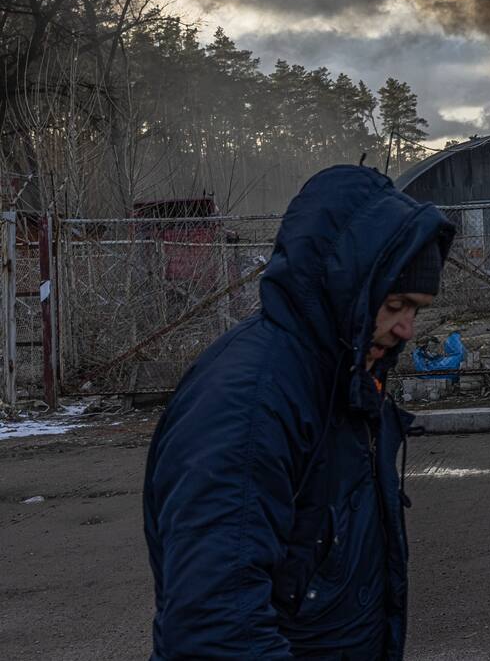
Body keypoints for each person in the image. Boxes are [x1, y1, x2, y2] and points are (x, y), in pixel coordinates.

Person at [143, 165, 455, 659]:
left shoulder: (340, 379)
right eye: (396, 304)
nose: (407, 330)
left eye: (416, 310)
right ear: (347, 286)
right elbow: (215, 627)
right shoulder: (249, 403)